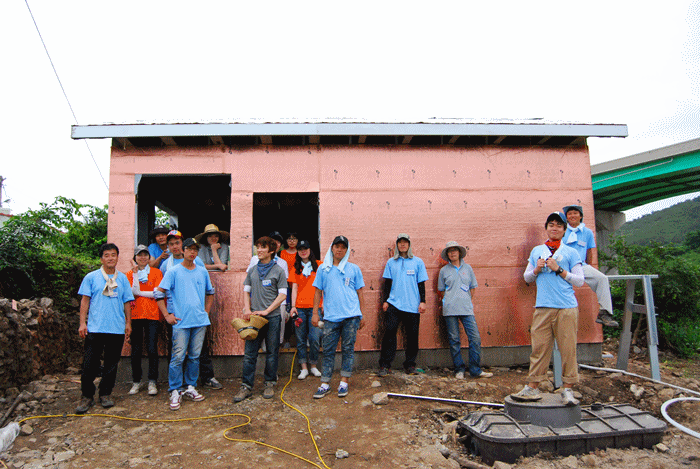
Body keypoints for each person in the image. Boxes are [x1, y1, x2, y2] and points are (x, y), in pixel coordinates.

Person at [512, 211, 585, 406]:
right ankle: (532, 387)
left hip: (566, 307)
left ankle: (567, 389)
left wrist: (558, 269)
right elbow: (527, 277)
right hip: (543, 306)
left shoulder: (571, 252)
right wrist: (537, 268)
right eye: (551, 224)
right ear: (546, 228)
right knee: (539, 348)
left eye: (559, 225)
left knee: (568, 349)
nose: (555, 228)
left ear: (564, 230)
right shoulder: (537, 251)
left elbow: (580, 280)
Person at [155, 238, 215, 411]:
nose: (192, 252)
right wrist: (166, 314)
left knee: (195, 356)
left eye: (195, 249)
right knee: (178, 357)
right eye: (189, 249)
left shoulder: (202, 271)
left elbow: (210, 292)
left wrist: (206, 311)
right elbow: (159, 293)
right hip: (181, 321)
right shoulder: (173, 271)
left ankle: (190, 386)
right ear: (183, 250)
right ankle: (175, 389)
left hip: (199, 321)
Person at [75, 243, 134, 414]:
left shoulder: (122, 278)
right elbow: (85, 301)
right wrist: (82, 323)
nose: (110, 258)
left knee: (111, 364)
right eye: (106, 255)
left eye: (113, 255)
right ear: (101, 259)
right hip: (95, 328)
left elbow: (127, 302)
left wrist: (128, 323)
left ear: (117, 257)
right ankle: (87, 396)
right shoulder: (91, 277)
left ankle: (105, 394)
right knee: (89, 364)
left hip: (116, 328)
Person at [234, 236, 288, 402]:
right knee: (250, 354)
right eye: (258, 247)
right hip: (254, 320)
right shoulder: (252, 270)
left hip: (273, 318)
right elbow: (246, 291)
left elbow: (283, 295)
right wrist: (248, 310)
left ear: (271, 251)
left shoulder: (278, 270)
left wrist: (267, 311)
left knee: (272, 352)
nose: (259, 250)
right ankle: (246, 386)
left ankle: (269, 383)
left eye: (263, 247)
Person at [311, 236, 366, 399]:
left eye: (343, 247)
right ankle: (325, 383)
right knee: (328, 350)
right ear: (332, 248)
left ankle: (344, 382)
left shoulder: (354, 269)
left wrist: (362, 314)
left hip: (351, 316)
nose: (339, 250)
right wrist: (315, 313)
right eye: (337, 246)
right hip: (330, 317)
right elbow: (317, 292)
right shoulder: (323, 269)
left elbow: (360, 293)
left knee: (348, 349)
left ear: (347, 250)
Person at [437, 241, 493, 380]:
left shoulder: (468, 268)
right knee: (454, 340)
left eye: (454, 250)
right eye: (450, 251)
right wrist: (450, 300)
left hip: (467, 309)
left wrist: (465, 300)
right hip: (450, 310)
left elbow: (473, 288)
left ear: (459, 252)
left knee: (475, 338)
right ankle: (459, 369)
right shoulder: (443, 271)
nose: (452, 253)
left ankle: (475, 369)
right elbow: (441, 290)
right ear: (447, 255)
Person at [378, 234, 428, 376]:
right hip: (394, 304)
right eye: (400, 242)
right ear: (397, 245)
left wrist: (423, 301)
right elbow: (387, 283)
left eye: (405, 242)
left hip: (413, 305)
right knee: (389, 333)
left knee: (412, 336)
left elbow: (421, 283)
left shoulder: (418, 262)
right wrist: (385, 301)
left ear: (409, 245)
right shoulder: (391, 262)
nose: (403, 244)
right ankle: (385, 365)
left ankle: (410, 365)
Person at [562, 205, 619, 328]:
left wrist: (590, 267)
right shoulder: (562, 230)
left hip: (580, 265)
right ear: (566, 217)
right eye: (569, 214)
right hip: (563, 265)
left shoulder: (587, 232)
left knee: (602, 278)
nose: (572, 215)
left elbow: (589, 251)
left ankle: (604, 313)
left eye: (575, 213)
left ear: (580, 216)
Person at [126, 245, 164, 397]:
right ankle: (136, 381)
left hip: (152, 315)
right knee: (135, 349)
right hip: (135, 315)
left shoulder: (156, 272)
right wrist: (136, 275)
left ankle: (152, 381)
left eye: (145, 255)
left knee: (152, 348)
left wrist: (139, 293)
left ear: (149, 257)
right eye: (139, 255)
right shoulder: (130, 274)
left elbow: (158, 292)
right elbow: (130, 293)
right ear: (135, 258)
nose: (142, 258)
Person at [288, 240, 323, 379]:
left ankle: (313, 365)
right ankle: (303, 368)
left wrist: (324, 305)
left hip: (316, 307)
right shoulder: (295, 268)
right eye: (300, 249)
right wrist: (293, 307)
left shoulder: (319, 265)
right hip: (300, 308)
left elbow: (324, 286)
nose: (303, 251)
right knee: (301, 339)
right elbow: (294, 288)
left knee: (314, 338)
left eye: (305, 248)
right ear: (297, 252)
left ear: (310, 250)